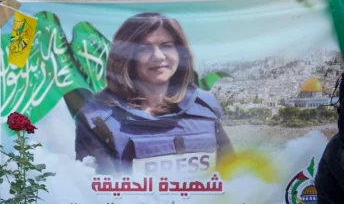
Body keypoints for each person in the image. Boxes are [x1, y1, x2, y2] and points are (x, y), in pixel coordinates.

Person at [74, 13, 233, 175]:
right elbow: (96, 194)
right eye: (144, 48)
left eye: (166, 45)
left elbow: (232, 177)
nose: (158, 56)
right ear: (125, 57)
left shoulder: (205, 109)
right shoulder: (98, 121)